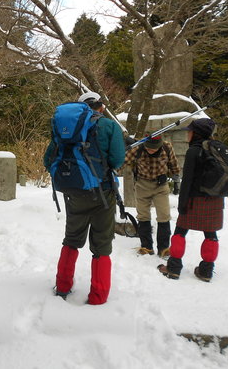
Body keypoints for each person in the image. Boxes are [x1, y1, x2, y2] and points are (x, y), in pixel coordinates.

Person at [44, 92, 125, 305]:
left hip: (74, 193)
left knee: (71, 240)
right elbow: (117, 160)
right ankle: (98, 296)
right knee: (101, 245)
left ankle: (62, 286)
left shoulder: (66, 127)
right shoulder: (109, 126)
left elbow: (48, 159)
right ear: (101, 106)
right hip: (103, 193)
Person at [158, 118, 222, 282]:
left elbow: (187, 180)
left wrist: (182, 204)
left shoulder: (194, 151)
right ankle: (206, 271)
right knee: (211, 234)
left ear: (196, 133)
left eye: (189, 131)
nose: (187, 133)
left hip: (194, 199)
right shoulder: (218, 148)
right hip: (214, 199)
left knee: (180, 232)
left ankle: (173, 268)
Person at [122, 134, 180, 257]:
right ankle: (146, 246)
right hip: (142, 185)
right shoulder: (137, 149)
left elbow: (174, 165)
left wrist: (176, 181)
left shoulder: (167, 147)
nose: (150, 150)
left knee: (164, 215)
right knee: (143, 215)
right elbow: (121, 161)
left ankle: (163, 248)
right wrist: (124, 147)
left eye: (153, 148)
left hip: (160, 186)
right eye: (148, 148)